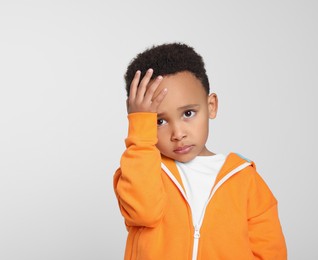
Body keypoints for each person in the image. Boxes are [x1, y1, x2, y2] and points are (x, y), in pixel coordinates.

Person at [113, 43, 287, 260]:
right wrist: (140, 132)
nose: (178, 133)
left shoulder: (244, 178)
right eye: (159, 121)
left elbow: (270, 252)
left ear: (211, 105)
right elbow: (144, 211)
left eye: (188, 113)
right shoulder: (142, 170)